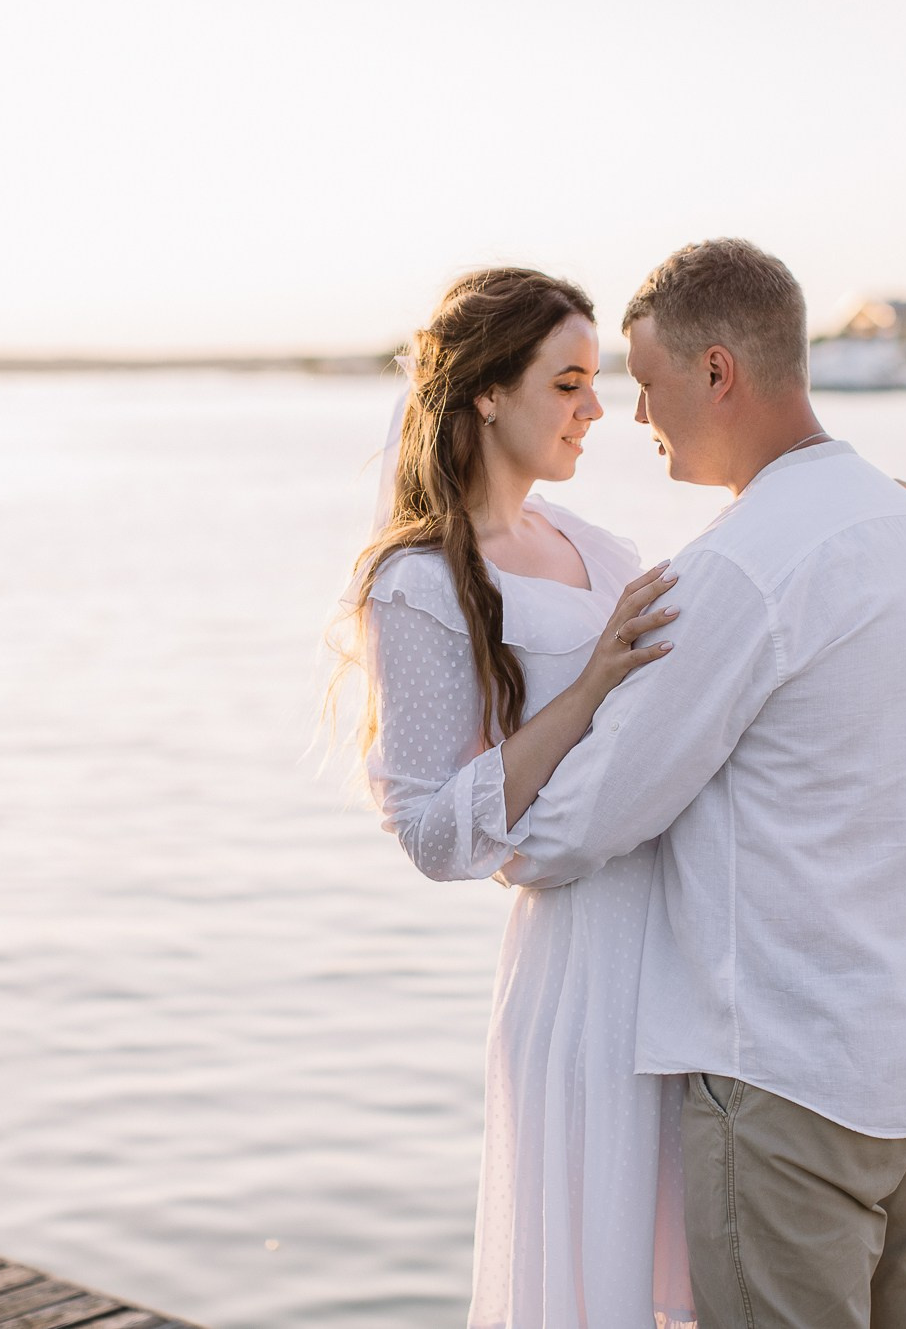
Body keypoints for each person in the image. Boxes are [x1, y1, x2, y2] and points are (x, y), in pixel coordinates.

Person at [495, 240, 906, 1328]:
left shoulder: (736, 567)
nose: (638, 416)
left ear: (717, 370)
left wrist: (501, 837)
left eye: (649, 381)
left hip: (794, 1076)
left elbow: (592, 814)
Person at [338, 267, 698, 1328]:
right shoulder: (420, 583)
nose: (596, 410)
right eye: (569, 383)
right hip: (579, 967)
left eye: (597, 382)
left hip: (680, 952)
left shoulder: (600, 547)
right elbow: (437, 833)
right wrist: (588, 688)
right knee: (593, 1276)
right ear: (488, 393)